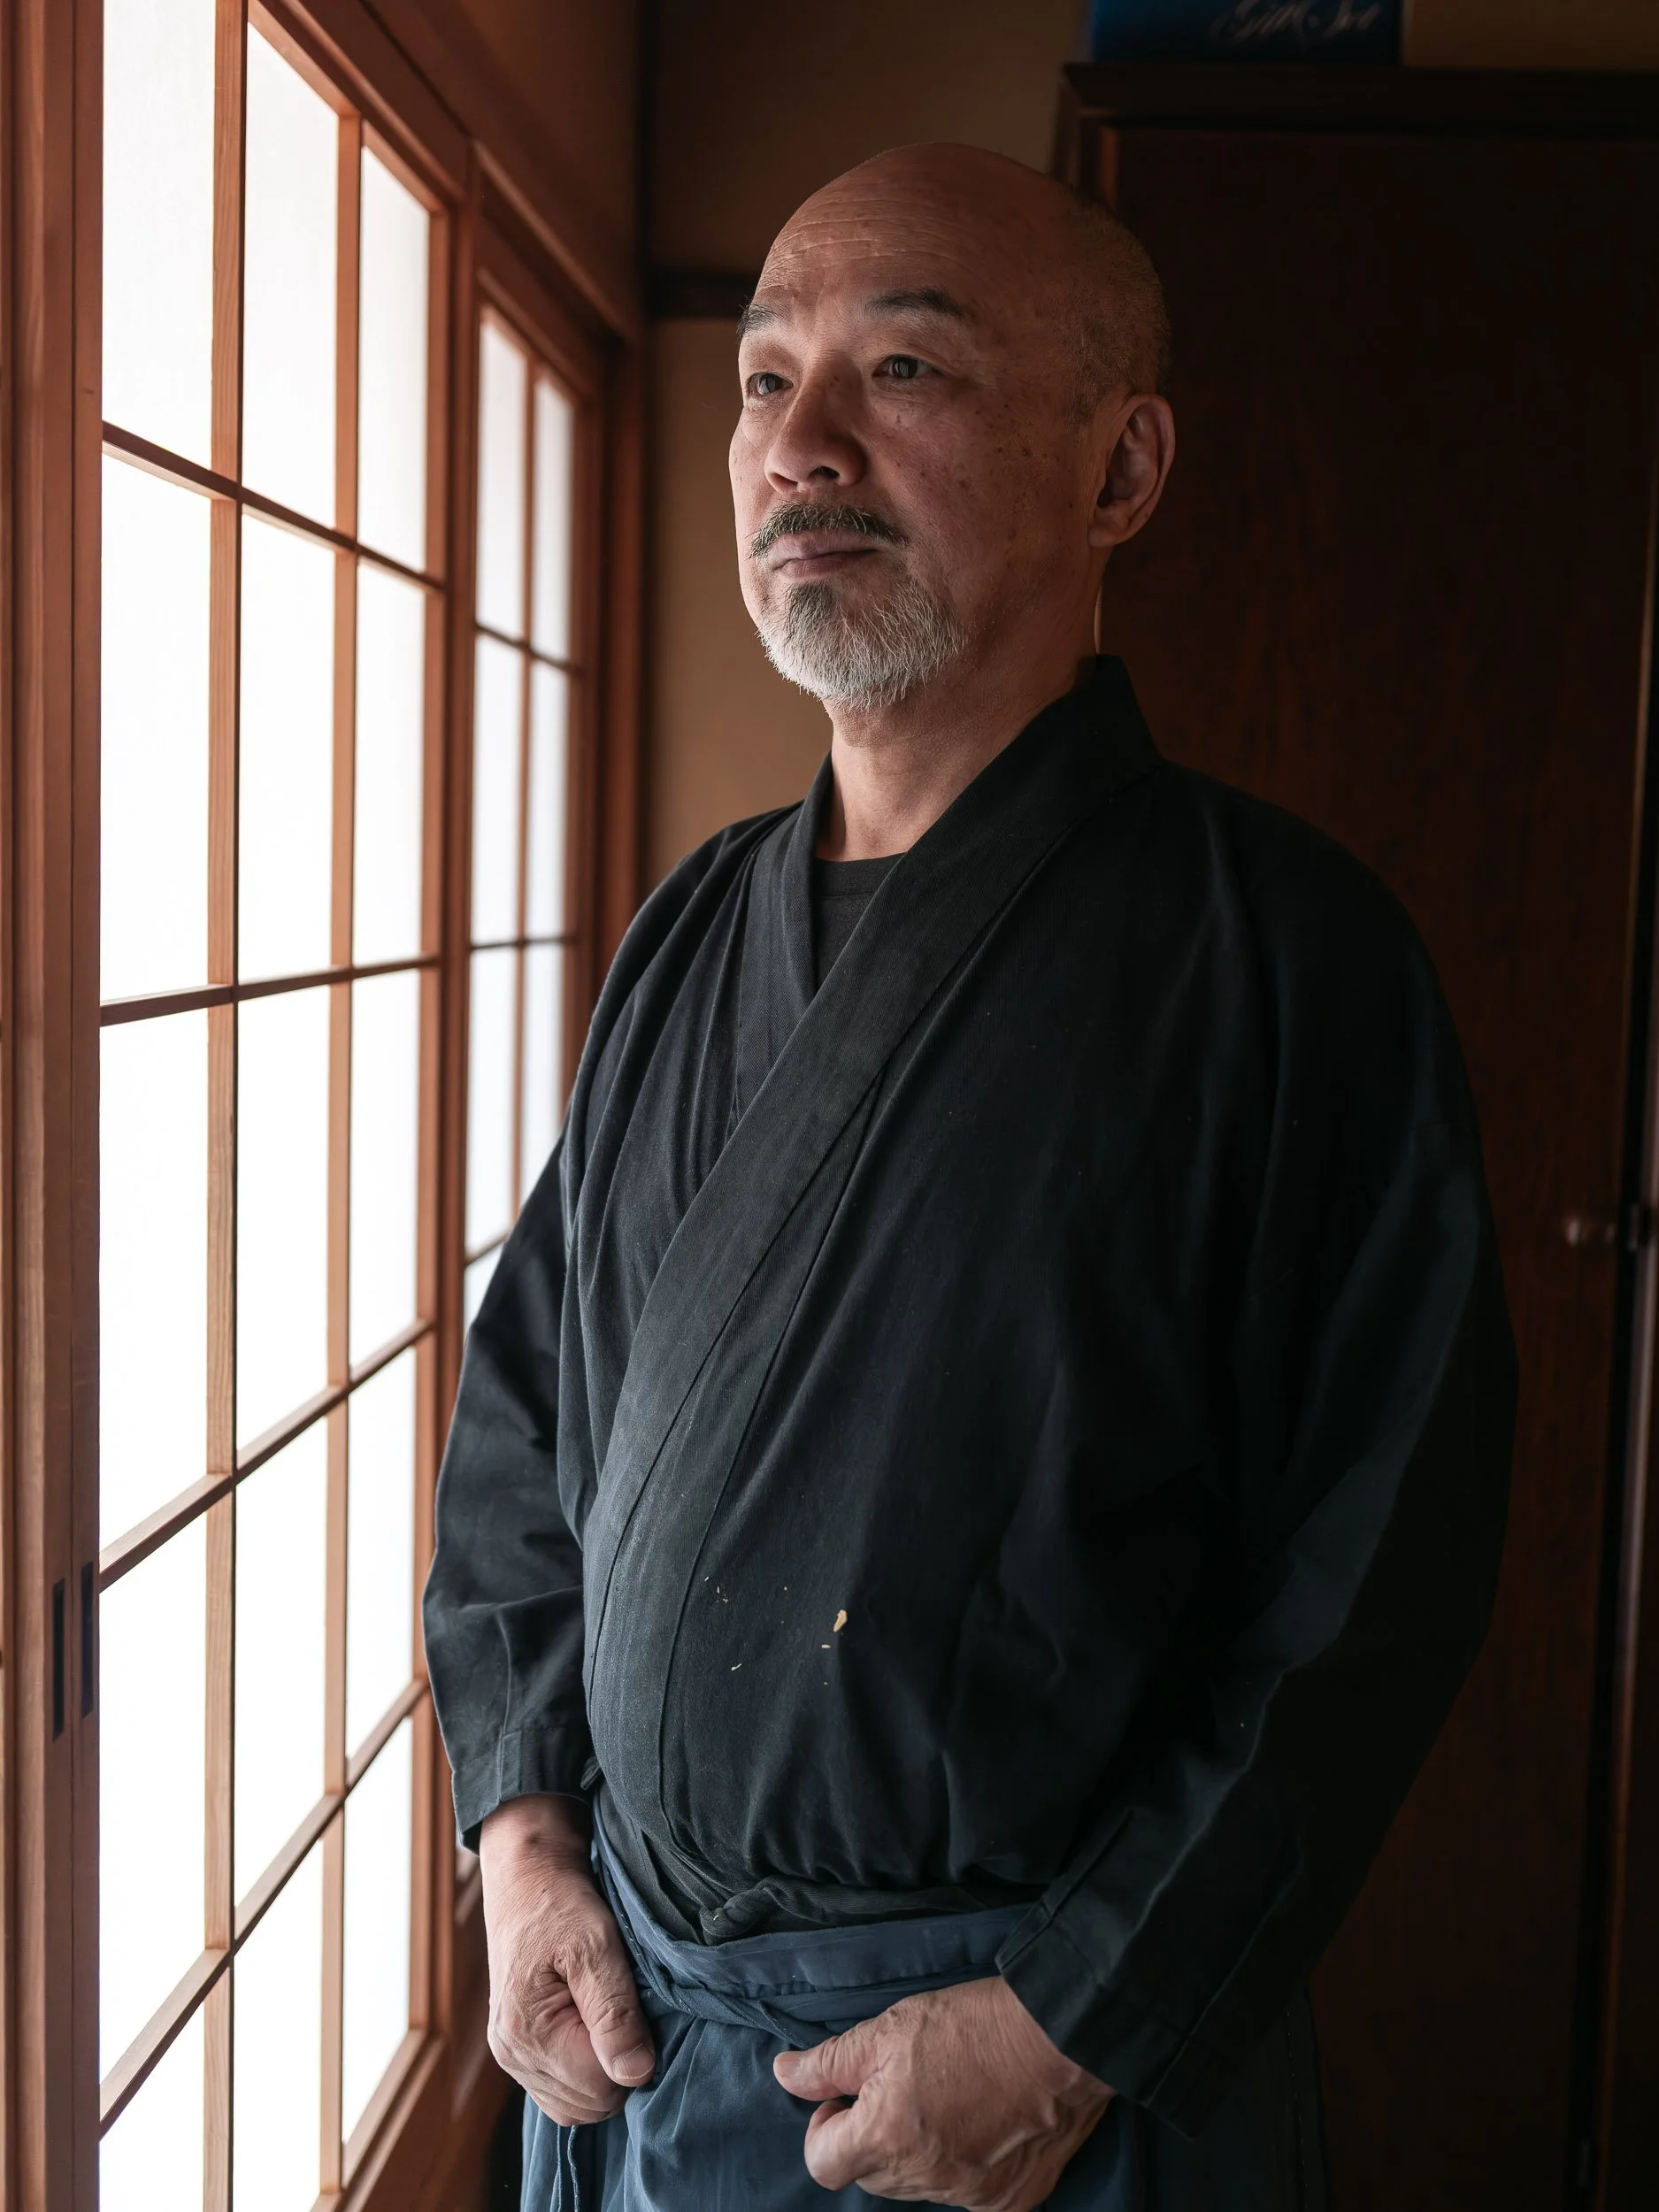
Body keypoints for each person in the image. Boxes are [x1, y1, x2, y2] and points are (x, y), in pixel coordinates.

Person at [424, 143, 1516, 2211]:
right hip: (643, 2041)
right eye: (761, 379)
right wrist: (521, 1837)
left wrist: (1080, 2018)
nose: (798, 444)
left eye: (902, 366)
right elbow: (525, 1428)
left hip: (1020, 2083)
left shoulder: (1286, 964)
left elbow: (1369, 1575)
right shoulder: (686, 937)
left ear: (1121, 468)